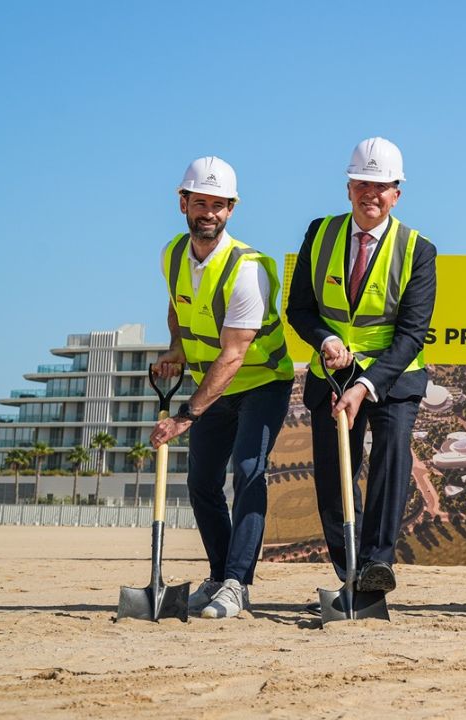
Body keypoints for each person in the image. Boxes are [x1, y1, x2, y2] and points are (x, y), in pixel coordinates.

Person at [286, 137, 437, 601]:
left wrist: (367, 383)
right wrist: (327, 341)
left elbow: (412, 333)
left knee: (391, 459)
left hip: (394, 376)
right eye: (362, 184)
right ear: (349, 188)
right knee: (334, 480)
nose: (371, 194)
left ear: (397, 194)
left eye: (382, 186)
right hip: (332, 372)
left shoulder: (418, 249)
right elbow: (299, 308)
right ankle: (349, 571)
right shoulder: (319, 233)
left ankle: (377, 563)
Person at [151, 156, 294, 619]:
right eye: (200, 203)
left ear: (231, 209)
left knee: (249, 471)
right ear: (183, 204)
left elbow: (233, 354)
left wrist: (185, 417)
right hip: (212, 386)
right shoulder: (173, 254)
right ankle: (218, 575)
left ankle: (237, 583)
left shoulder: (248, 269)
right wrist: (176, 347)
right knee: (201, 482)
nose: (208, 213)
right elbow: (177, 306)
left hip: (261, 383)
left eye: (218, 204)